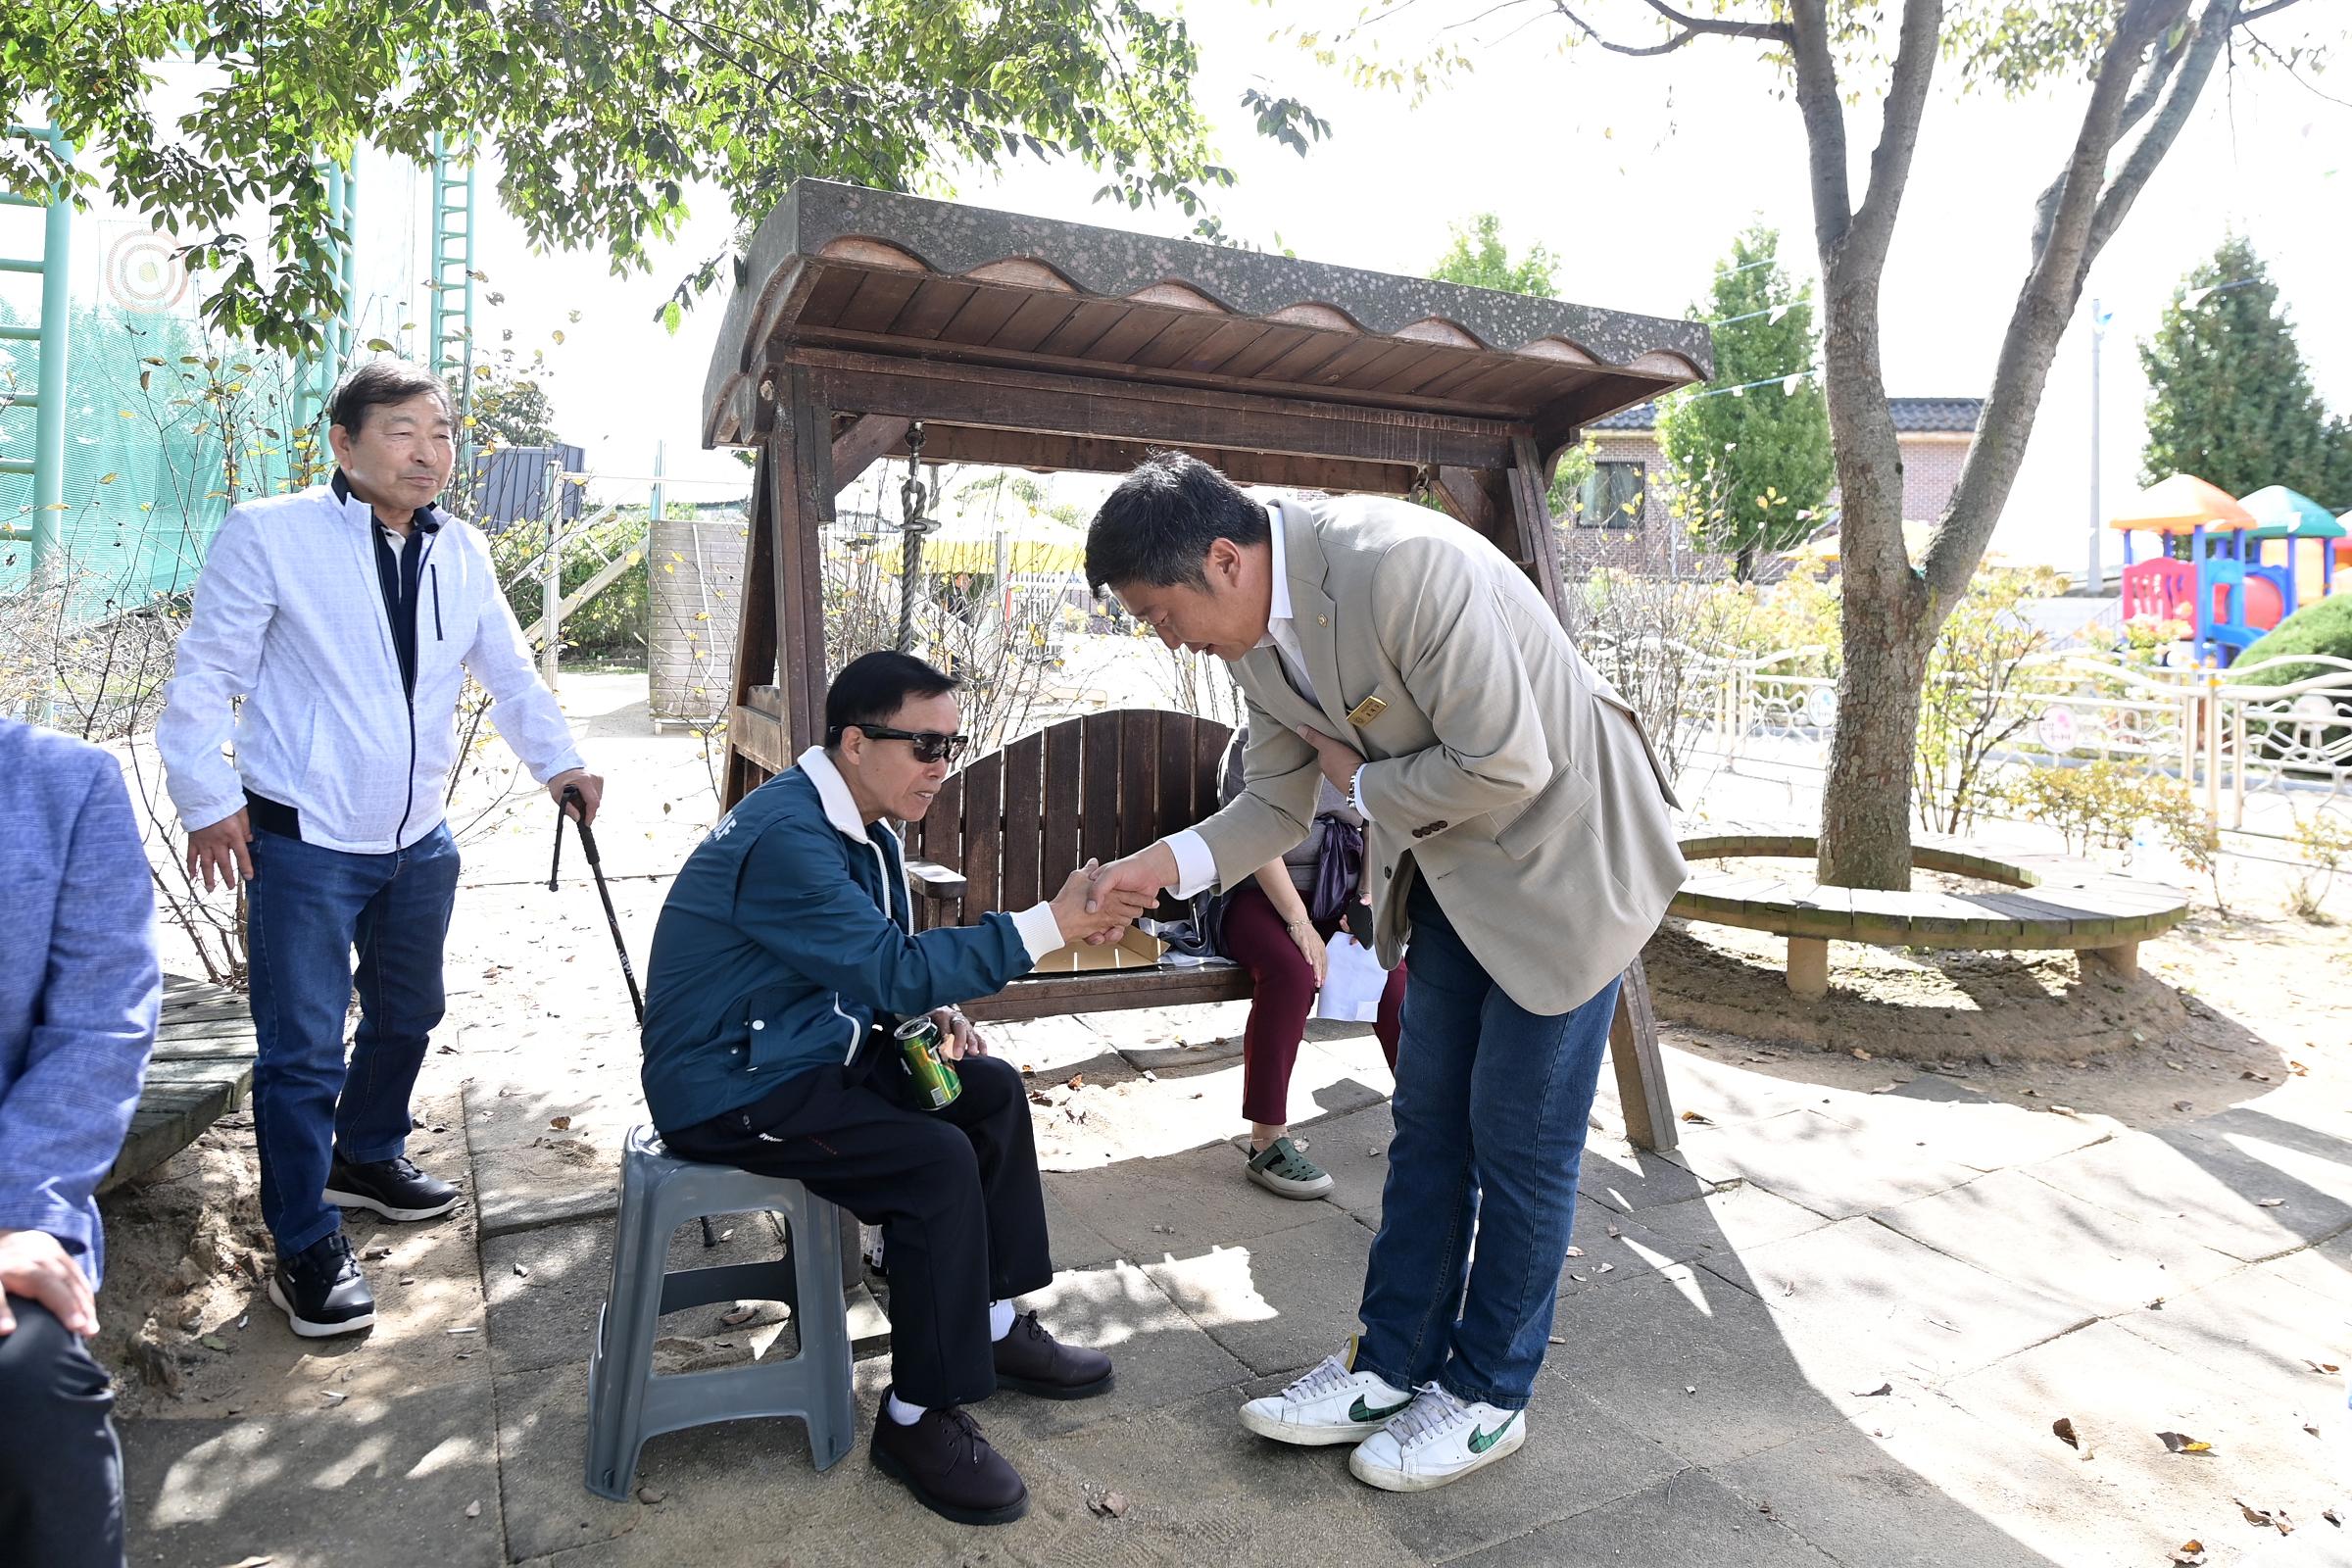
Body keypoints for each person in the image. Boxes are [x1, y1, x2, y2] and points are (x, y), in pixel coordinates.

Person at [1079, 453, 1684, 1494]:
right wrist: (1153, 869)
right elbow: (1273, 805)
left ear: (1223, 558)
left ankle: (1491, 1391)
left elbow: (1509, 762)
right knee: (1430, 1128)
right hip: (1452, 869)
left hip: (1568, 867)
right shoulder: (1255, 642)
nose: (1161, 635)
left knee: (1521, 1143)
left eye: (1156, 610)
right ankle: (1394, 1363)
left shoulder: (1400, 565)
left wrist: (1361, 780)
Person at [639, 651, 1150, 1527]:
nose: (940, 766)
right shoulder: (789, 841)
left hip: (797, 1048)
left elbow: (869, 969)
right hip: (729, 1085)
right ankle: (917, 1415)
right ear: (852, 741)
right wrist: (1050, 924)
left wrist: (929, 1008)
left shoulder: (855, 824)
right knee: (932, 1162)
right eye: (923, 745)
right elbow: (887, 962)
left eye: (951, 745)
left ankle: (988, 1320)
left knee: (982, 1093)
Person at [158, 358, 604, 1338]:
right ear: (346, 444)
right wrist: (206, 797)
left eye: (440, 432)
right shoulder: (271, 536)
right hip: (305, 838)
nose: (428, 450)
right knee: (302, 1051)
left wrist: (561, 764)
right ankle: (304, 1237)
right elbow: (204, 678)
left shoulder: (463, 551)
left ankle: (365, 1151)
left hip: (418, 838)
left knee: (409, 1012)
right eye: (403, 431)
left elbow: (512, 672)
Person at [0, 718, 162, 1567]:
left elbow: (99, 1029)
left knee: (30, 1381)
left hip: (8, 1209)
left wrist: (15, 1210)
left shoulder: (62, 784)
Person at [1209, 722, 1404, 1199]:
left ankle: (1432, 1125)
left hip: (1339, 891)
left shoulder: (1361, 739)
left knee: (1393, 977)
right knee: (1292, 974)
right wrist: (1300, 925)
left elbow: (1377, 820)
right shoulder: (1251, 745)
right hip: (1258, 893)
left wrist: (1366, 900)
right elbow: (1253, 840)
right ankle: (1266, 1141)